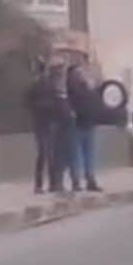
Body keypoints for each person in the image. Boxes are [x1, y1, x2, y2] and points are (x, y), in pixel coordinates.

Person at [25, 60, 69, 194]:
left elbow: (27, 102)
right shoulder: (50, 86)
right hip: (49, 122)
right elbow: (57, 103)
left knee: (44, 154)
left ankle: (41, 185)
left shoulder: (35, 86)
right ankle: (52, 184)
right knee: (49, 154)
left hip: (40, 123)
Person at [67, 62, 102, 192]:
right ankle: (76, 181)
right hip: (77, 125)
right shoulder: (71, 88)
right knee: (77, 155)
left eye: (81, 72)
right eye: (78, 72)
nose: (81, 74)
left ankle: (90, 179)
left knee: (89, 154)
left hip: (89, 123)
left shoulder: (87, 87)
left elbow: (94, 102)